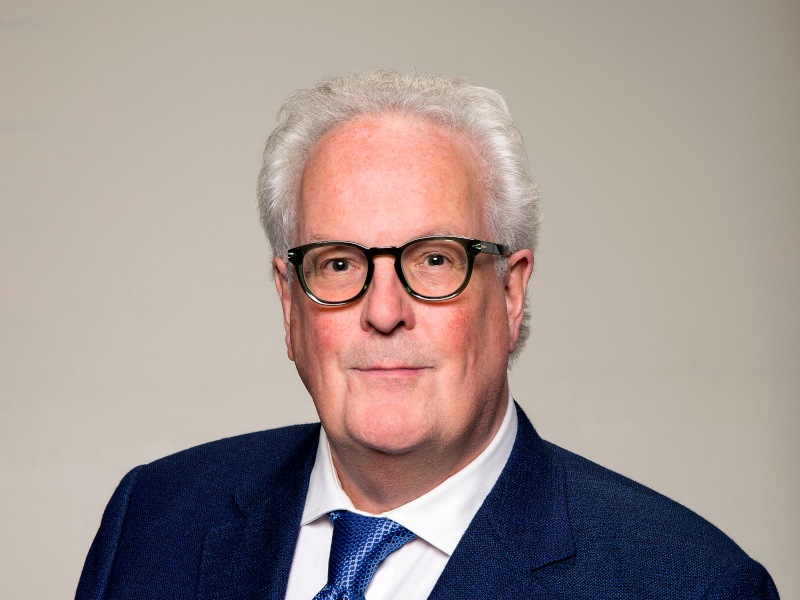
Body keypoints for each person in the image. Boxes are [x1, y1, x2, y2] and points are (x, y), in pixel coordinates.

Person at [76, 70, 779, 599]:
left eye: (434, 259)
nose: (384, 311)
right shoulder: (154, 519)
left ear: (510, 291)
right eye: (340, 262)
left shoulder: (687, 585)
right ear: (289, 305)